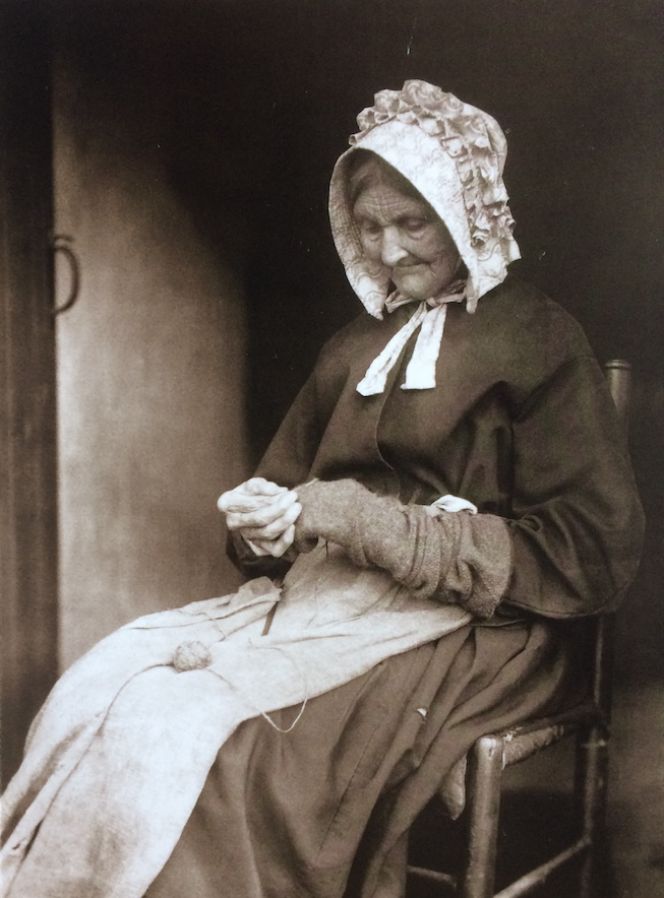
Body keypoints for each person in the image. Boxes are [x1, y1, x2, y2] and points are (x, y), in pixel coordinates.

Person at [1, 80, 643, 898]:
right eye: (370, 226)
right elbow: (282, 490)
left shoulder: (541, 338)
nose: (390, 250)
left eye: (413, 222)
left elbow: (588, 552)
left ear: (468, 212)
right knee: (102, 694)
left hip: (488, 624)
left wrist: (357, 519)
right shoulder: (351, 347)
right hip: (326, 604)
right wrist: (262, 525)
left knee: (242, 750)